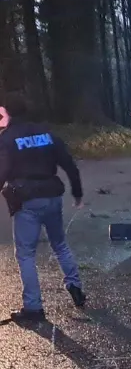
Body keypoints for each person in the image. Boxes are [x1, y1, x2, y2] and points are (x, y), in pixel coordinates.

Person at [0, 94, 86, 324]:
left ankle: (33, 307)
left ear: (8, 113)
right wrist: (77, 192)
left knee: (26, 253)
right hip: (52, 195)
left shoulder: (7, 138)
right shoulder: (46, 133)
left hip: (26, 200)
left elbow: (3, 170)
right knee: (60, 244)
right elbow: (69, 164)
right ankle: (75, 286)